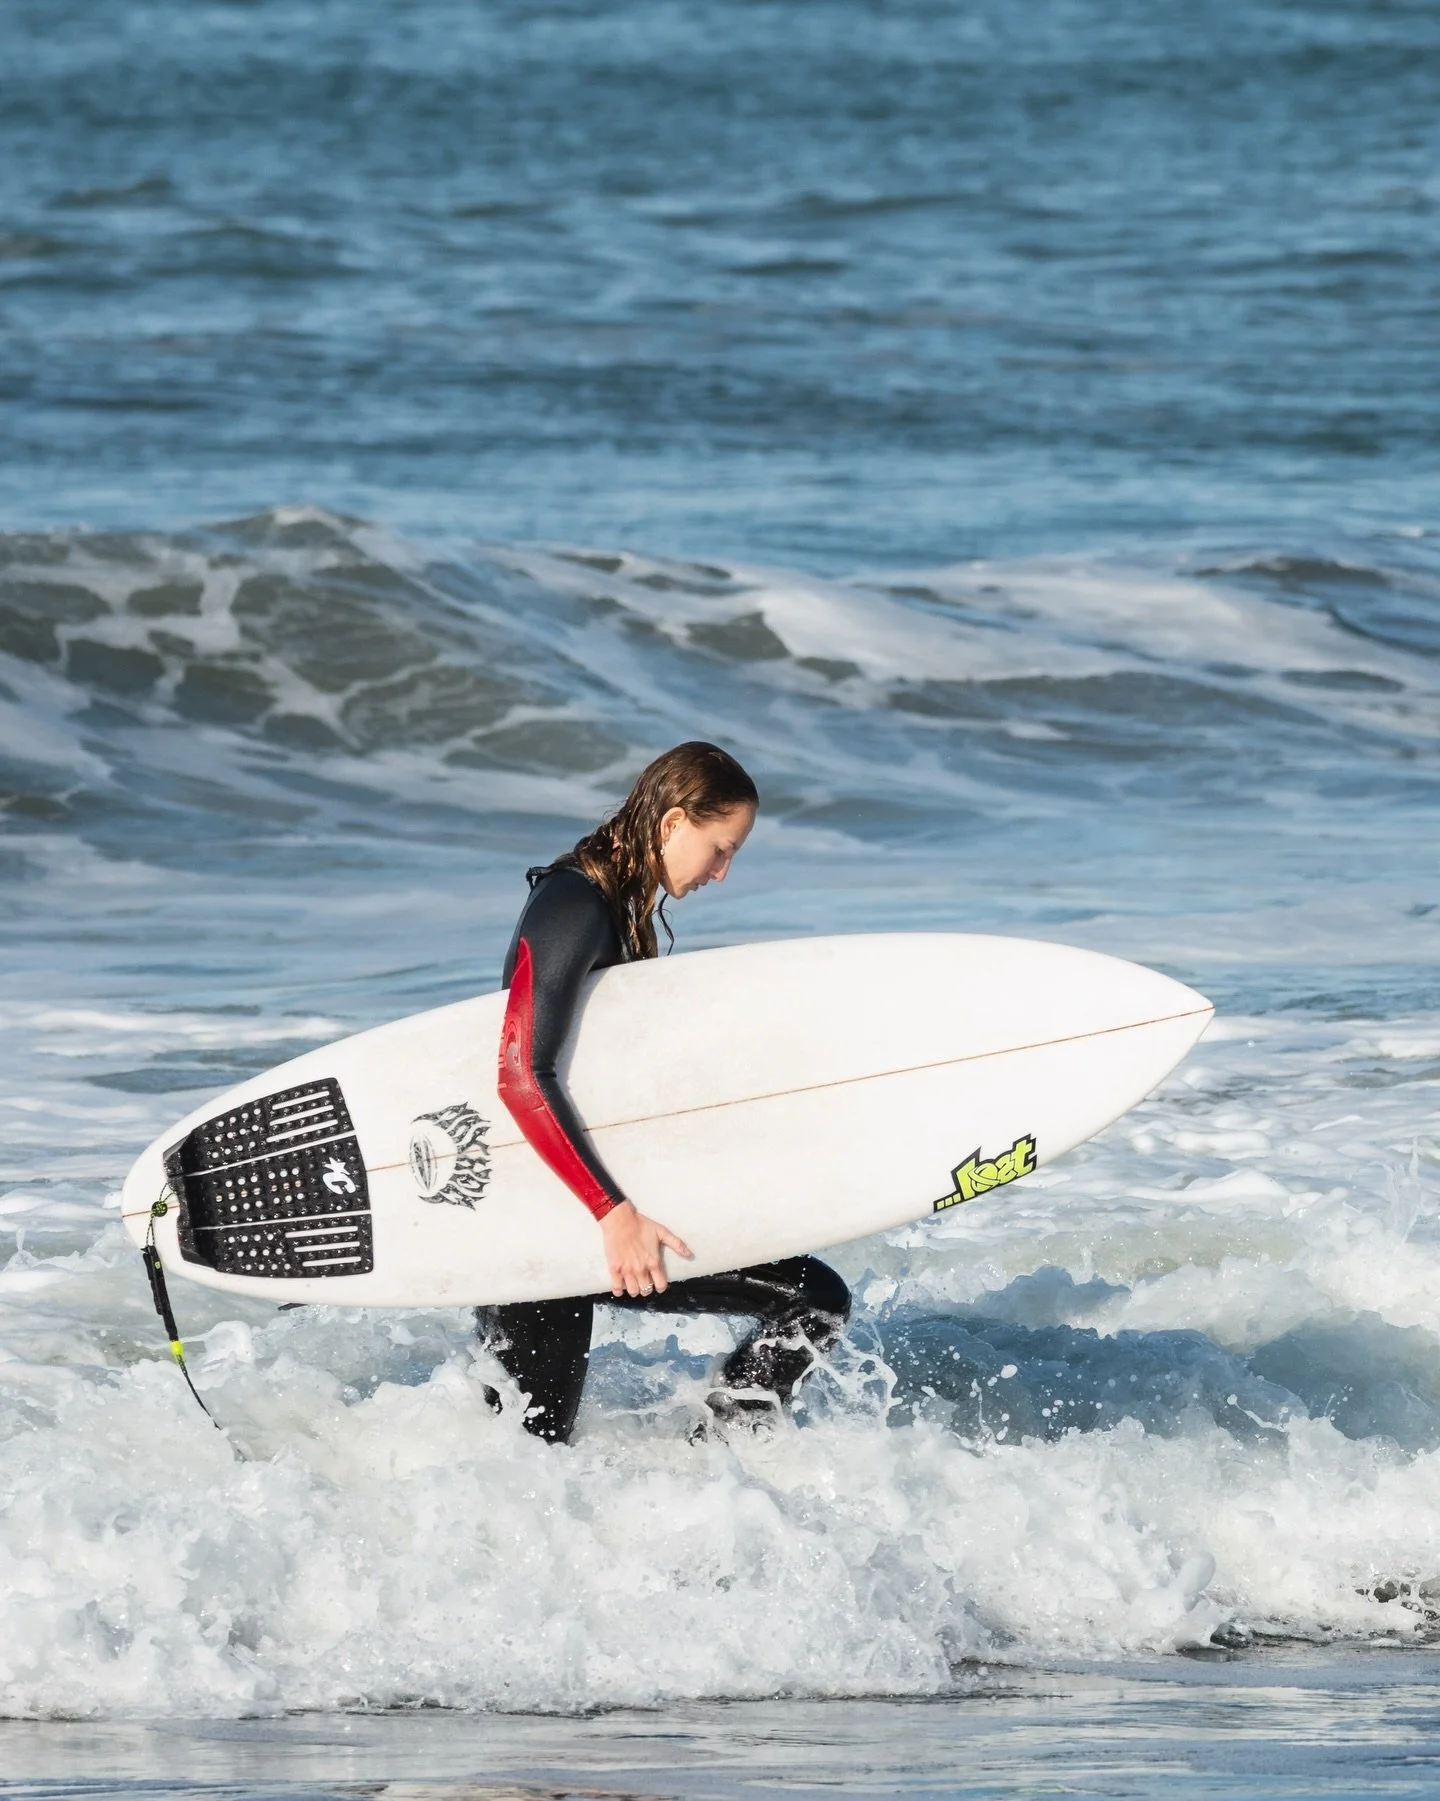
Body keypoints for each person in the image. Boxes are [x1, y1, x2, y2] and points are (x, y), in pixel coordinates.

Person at [478, 740, 850, 1443]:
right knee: (526, 1464)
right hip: (554, 1224)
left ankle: (709, 1470)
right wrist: (614, 1214)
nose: (723, 871)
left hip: (594, 1209)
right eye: (720, 847)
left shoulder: (619, 907)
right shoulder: (571, 903)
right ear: (674, 820)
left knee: (814, 1298)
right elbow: (521, 1072)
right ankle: (708, 1462)